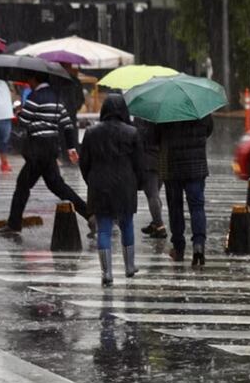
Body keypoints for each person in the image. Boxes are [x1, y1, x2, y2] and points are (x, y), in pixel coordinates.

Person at [0, 73, 94, 236]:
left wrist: (18, 110)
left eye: (30, 79)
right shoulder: (57, 98)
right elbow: (67, 124)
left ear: (35, 79)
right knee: (58, 186)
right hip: (51, 148)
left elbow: (24, 122)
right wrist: (71, 147)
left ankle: (14, 224)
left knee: (22, 186)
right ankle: (90, 215)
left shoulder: (35, 97)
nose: (28, 82)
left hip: (37, 149)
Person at [80, 94, 142, 286]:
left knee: (104, 229)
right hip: (125, 185)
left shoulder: (91, 133)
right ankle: (129, 266)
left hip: (100, 185)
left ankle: (106, 272)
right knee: (127, 225)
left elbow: (84, 164)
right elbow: (139, 164)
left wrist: (91, 180)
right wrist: (136, 184)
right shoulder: (132, 133)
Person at [155, 114, 213, 268]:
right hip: (196, 166)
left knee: (175, 207)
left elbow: (154, 137)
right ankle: (199, 244)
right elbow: (208, 131)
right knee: (197, 207)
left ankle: (179, 247)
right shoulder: (201, 109)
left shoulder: (166, 112)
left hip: (172, 166)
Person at [134, 116, 166, 238]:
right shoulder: (165, 116)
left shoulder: (142, 115)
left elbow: (138, 137)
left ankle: (160, 226)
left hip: (149, 160)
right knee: (155, 193)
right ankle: (155, 223)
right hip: (162, 158)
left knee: (152, 195)